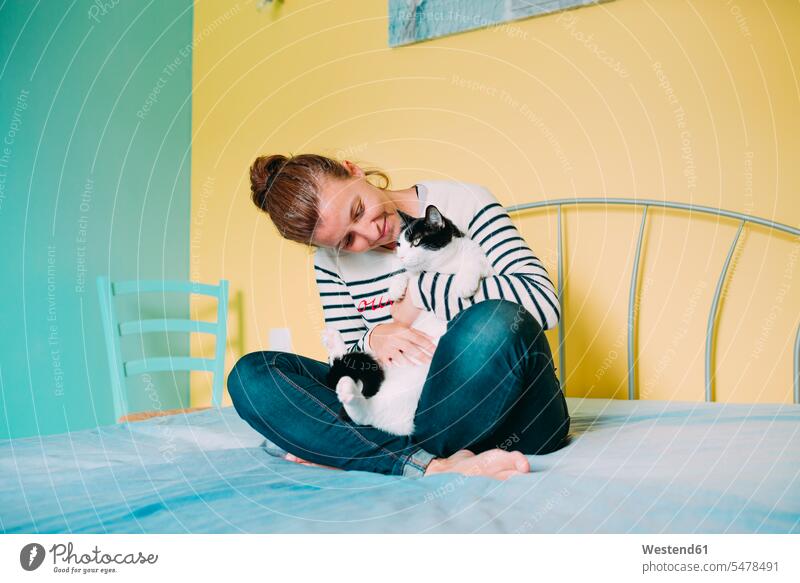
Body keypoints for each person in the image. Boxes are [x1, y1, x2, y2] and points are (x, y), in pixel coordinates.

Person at [227, 153, 570, 480]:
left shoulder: (462, 202)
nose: (369, 233)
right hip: (403, 408)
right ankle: (432, 466)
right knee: (251, 376)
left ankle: (369, 456)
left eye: (359, 209)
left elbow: (541, 302)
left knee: (493, 322)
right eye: (347, 240)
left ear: (354, 170)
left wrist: (421, 293)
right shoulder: (329, 262)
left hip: (514, 418)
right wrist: (372, 338)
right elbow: (346, 368)